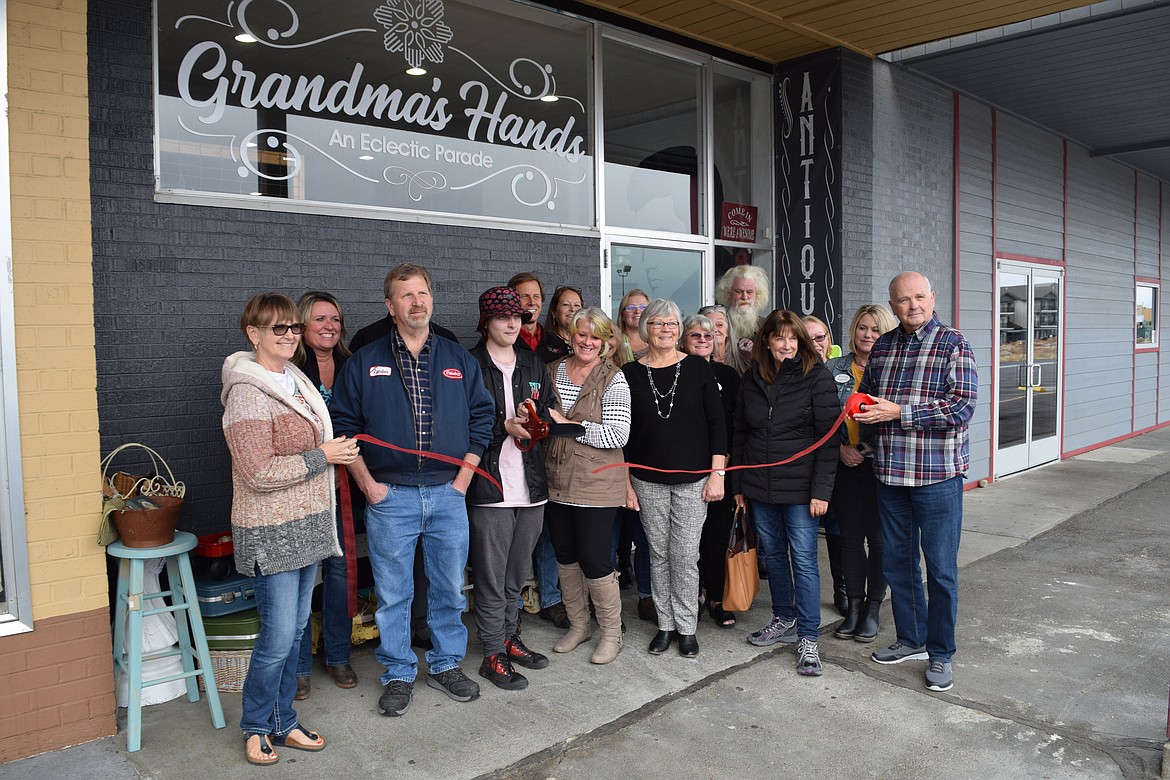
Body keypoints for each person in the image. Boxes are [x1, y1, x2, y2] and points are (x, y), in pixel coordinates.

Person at [330, 263, 495, 716]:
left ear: (431, 300)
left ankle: (445, 666)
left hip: (447, 494)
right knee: (394, 594)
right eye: (406, 295)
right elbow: (344, 428)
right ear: (390, 305)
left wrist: (464, 478)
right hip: (392, 498)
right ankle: (399, 672)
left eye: (422, 293)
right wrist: (368, 485)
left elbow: (483, 417)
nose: (416, 302)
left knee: (447, 588)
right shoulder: (364, 361)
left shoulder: (457, 358)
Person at [221, 292, 356, 766]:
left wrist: (334, 448)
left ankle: (283, 720)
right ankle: (256, 725)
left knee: (296, 630)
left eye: (292, 328)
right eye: (277, 328)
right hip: (272, 532)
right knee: (278, 637)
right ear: (253, 334)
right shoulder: (247, 391)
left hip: (307, 527)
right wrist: (325, 456)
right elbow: (257, 470)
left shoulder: (294, 379)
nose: (288, 335)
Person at [854, 272, 977, 693]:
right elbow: (869, 397)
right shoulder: (884, 345)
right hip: (889, 473)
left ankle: (941, 653)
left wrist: (898, 413)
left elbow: (960, 407)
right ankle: (911, 639)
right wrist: (866, 421)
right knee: (898, 564)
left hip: (937, 476)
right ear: (892, 305)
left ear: (932, 297)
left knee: (941, 569)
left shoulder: (954, 344)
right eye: (903, 300)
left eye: (919, 297)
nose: (913, 306)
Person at [732, 310, 838, 677]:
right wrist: (739, 486)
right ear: (766, 342)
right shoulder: (752, 378)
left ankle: (809, 638)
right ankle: (784, 618)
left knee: (805, 561)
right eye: (779, 338)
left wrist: (821, 490)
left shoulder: (816, 378)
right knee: (774, 556)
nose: (787, 345)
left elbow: (829, 441)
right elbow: (740, 435)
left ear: (802, 342)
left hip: (802, 490)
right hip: (760, 485)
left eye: (793, 338)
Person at [623, 299, 727, 658]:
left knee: (684, 555)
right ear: (645, 329)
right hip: (646, 479)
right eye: (657, 323)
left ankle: (686, 627)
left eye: (671, 324)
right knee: (658, 554)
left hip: (694, 480)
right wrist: (625, 483)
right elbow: (622, 433)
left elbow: (718, 426)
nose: (665, 330)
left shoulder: (698, 368)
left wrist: (718, 475)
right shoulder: (629, 372)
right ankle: (664, 625)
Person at [467, 286, 556, 690]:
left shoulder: (533, 363)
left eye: (517, 317)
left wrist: (536, 418)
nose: (511, 324)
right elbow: (457, 426)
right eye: (503, 317)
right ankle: (491, 653)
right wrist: (503, 426)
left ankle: (507, 636)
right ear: (487, 321)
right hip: (489, 485)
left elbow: (550, 415)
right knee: (490, 575)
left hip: (532, 484)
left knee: (516, 573)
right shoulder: (469, 364)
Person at [544, 307, 631, 664]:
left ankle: (613, 633)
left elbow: (617, 433)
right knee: (564, 554)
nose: (587, 342)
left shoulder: (614, 378)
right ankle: (579, 625)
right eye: (582, 334)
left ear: (606, 342)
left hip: (596, 480)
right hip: (555, 477)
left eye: (595, 336)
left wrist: (566, 424)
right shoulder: (551, 371)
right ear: (571, 334)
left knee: (595, 558)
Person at [291, 291, 357, 700]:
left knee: (340, 572)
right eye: (319, 319)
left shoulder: (353, 365)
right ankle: (298, 666)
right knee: (300, 575)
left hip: (343, 487)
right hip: (301, 488)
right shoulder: (288, 369)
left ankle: (337, 654)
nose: (329, 326)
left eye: (335, 318)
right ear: (302, 325)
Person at [826, 304, 899, 643]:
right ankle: (853, 608)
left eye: (875, 330)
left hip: (881, 467)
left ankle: (872, 609)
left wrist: (870, 447)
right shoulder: (832, 369)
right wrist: (839, 449)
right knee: (849, 540)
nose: (868, 335)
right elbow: (821, 419)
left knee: (880, 541)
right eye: (862, 328)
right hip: (844, 466)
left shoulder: (894, 369)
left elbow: (897, 416)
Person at [507, 272, 569, 631]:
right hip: (510, 451)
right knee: (511, 535)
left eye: (535, 297)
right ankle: (511, 604)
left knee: (545, 532)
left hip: (548, 450)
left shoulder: (557, 347)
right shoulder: (499, 344)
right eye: (523, 297)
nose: (530, 303)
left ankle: (550, 598)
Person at [679, 313, 740, 628]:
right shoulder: (673, 372)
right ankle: (695, 594)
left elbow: (737, 423)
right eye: (695, 335)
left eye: (708, 335)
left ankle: (717, 596)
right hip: (683, 468)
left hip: (721, 469)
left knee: (717, 535)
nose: (703, 340)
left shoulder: (728, 375)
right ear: (684, 340)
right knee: (688, 538)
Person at [802, 313, 847, 617]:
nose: (815, 344)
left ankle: (843, 589)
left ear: (828, 341)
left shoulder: (837, 371)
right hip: (799, 469)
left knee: (838, 529)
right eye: (807, 338)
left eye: (820, 337)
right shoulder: (790, 375)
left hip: (838, 463)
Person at [714, 265, 770, 361]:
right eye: (738, 291)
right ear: (728, 293)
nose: (744, 297)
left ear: (758, 294)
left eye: (749, 292)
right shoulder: (718, 324)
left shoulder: (766, 325)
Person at [699, 304, 747, 375]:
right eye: (708, 325)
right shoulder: (693, 361)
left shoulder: (745, 359)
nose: (714, 329)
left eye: (720, 325)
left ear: (728, 330)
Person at [542, 284, 584, 363]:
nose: (572, 309)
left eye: (577, 305)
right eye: (566, 305)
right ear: (554, 312)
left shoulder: (588, 342)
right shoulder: (544, 345)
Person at [615, 289, 650, 365]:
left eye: (643, 307)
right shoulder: (614, 342)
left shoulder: (658, 341)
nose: (637, 311)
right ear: (622, 315)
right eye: (631, 307)